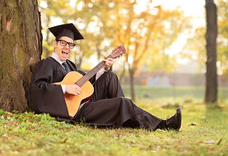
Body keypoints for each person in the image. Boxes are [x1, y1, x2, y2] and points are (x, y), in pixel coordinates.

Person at [29, 23, 182, 131]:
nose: (67, 48)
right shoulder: (47, 64)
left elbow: (86, 84)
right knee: (123, 102)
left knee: (110, 76)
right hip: (74, 111)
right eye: (63, 43)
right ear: (55, 44)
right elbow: (37, 89)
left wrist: (102, 69)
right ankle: (163, 125)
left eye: (70, 45)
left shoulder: (70, 65)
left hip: (85, 102)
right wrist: (64, 88)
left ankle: (125, 116)